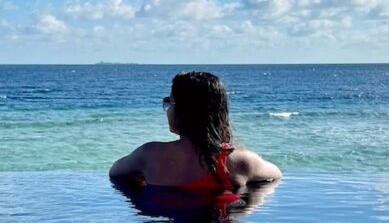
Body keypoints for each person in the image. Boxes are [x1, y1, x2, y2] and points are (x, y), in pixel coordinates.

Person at [109, 70, 281, 194]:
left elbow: (115, 172)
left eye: (170, 102)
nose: (167, 108)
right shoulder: (241, 160)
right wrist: (250, 204)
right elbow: (275, 175)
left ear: (181, 111)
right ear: (220, 113)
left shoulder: (149, 155)